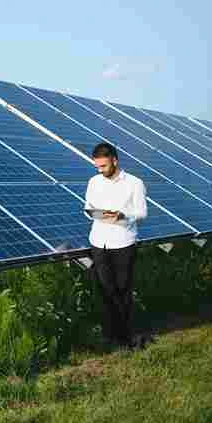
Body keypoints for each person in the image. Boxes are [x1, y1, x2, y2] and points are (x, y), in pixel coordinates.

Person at [84, 142, 147, 349]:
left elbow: (142, 213)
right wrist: (93, 212)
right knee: (105, 290)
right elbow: (88, 207)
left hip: (123, 242)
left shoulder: (134, 183)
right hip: (98, 241)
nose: (100, 170)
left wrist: (123, 216)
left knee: (123, 290)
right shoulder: (94, 182)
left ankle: (128, 336)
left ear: (115, 160)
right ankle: (111, 336)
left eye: (103, 166)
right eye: (97, 167)